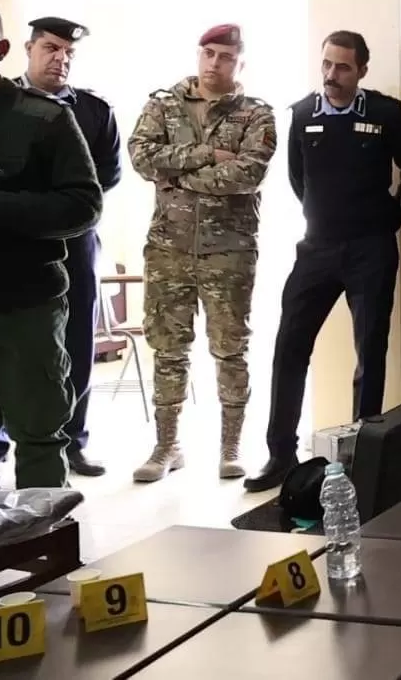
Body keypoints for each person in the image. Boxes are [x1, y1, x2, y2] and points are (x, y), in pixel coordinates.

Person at [246, 31, 401, 492]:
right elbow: (297, 179)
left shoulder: (385, 113)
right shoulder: (303, 114)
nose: (331, 74)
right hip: (316, 249)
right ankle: (280, 453)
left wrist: (390, 217)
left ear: (362, 70)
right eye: (326, 64)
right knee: (289, 346)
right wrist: (321, 217)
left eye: (342, 67)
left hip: (370, 248)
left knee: (370, 352)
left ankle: (363, 453)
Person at [0, 0, 102, 490]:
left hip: (22, 301)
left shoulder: (45, 118)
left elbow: (83, 205)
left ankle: (45, 536)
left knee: (40, 435)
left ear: (0, 49)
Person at [127, 24, 276, 483]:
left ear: (240, 62)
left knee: (230, 349)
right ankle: (166, 446)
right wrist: (207, 154)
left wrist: (176, 174)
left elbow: (247, 174)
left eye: (225, 56)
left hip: (228, 252)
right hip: (168, 249)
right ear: (199, 54)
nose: (214, 63)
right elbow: (141, 156)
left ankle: (230, 447)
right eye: (208, 53)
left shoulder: (256, 114)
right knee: (167, 350)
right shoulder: (163, 105)